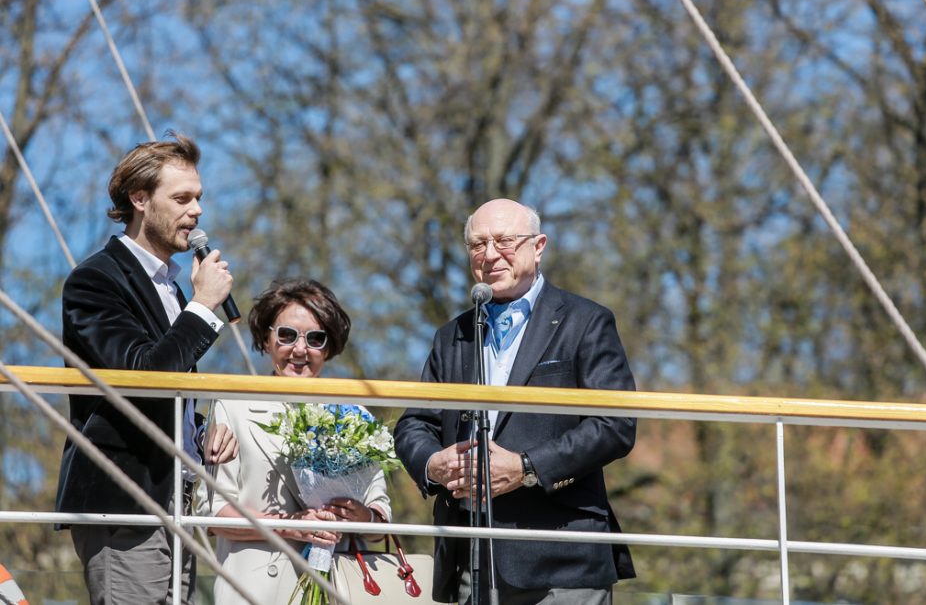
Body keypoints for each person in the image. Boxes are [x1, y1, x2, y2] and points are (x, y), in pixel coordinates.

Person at [394, 198, 637, 605]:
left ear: (538, 246)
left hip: (561, 560)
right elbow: (415, 424)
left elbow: (615, 425)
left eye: (504, 241)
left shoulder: (586, 321)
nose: (490, 255)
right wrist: (433, 464)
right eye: (477, 244)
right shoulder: (452, 336)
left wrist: (526, 468)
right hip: (468, 556)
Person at [54, 132, 239, 605]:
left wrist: (201, 433)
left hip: (176, 502)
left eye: (199, 198)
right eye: (181, 198)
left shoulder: (174, 289)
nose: (196, 211)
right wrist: (202, 307)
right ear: (139, 198)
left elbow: (171, 392)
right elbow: (145, 376)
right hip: (125, 502)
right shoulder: (95, 281)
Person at [195, 278, 392, 605]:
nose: (300, 349)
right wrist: (289, 527)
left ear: (328, 347)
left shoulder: (354, 414)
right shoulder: (233, 406)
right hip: (254, 589)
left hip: (339, 586)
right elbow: (213, 512)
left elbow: (380, 518)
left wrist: (360, 517)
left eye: (315, 339)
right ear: (267, 339)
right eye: (287, 335)